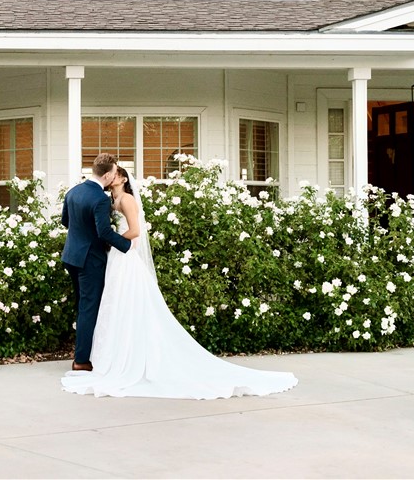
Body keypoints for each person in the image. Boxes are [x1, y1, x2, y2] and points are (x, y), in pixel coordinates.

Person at [62, 165, 298, 399]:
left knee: (110, 306)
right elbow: (99, 230)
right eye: (113, 172)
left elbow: (130, 230)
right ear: (108, 175)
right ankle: (95, 357)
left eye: (118, 173)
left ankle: (109, 357)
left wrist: (117, 244)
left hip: (101, 257)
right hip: (105, 258)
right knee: (101, 306)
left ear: (122, 179)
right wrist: (111, 243)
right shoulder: (106, 199)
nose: (114, 176)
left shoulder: (93, 195)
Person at [60, 153, 134, 372]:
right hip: (89, 260)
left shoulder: (73, 191)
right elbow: (103, 232)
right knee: (89, 308)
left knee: (83, 306)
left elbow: (66, 221)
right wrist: (127, 246)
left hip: (71, 256)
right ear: (109, 174)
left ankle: (88, 352)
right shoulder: (100, 199)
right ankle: (81, 360)